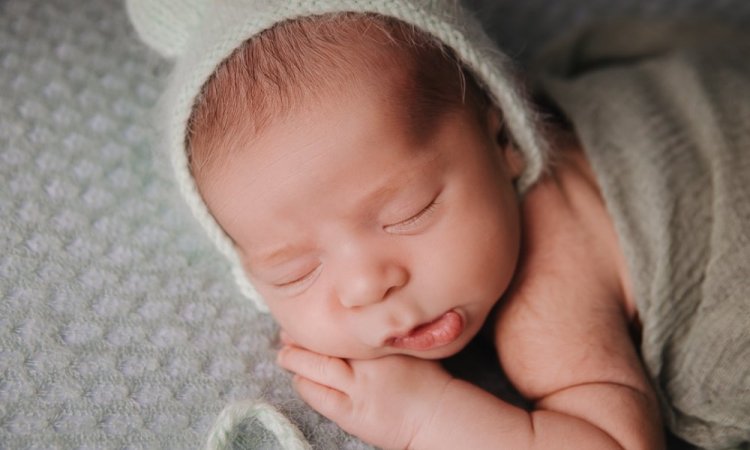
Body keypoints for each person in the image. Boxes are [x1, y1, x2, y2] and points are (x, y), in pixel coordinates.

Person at [127, 1, 750, 448]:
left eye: (409, 212)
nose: (369, 285)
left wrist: (427, 418)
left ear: (505, 136)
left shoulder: (547, 286)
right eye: (295, 271)